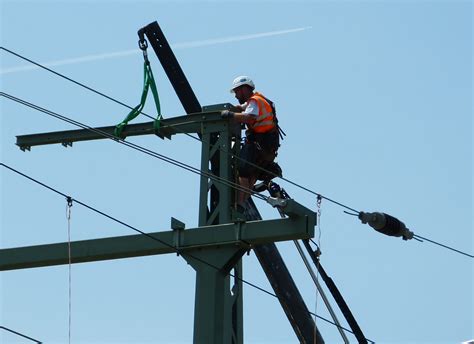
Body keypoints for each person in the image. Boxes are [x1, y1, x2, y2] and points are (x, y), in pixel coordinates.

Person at [221, 75, 283, 211]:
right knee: (252, 174)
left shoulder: (254, 102)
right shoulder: (260, 100)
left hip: (258, 145)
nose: (236, 95)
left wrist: (230, 115)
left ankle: (240, 203)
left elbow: (249, 117)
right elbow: (244, 108)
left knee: (243, 170)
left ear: (244, 89)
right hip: (268, 148)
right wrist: (238, 109)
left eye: (237, 91)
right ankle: (243, 202)